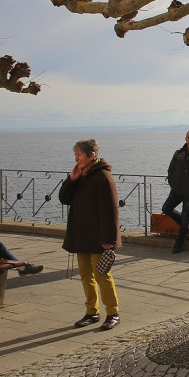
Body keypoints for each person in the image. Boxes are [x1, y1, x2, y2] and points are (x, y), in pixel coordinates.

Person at [59, 139, 121, 330]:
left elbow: (111, 210)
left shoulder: (103, 176)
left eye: (79, 154)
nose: (76, 158)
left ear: (91, 155)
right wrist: (71, 179)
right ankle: (91, 312)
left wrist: (108, 241)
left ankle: (113, 313)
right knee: (86, 275)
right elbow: (64, 198)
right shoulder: (81, 175)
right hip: (81, 236)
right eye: (75, 154)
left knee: (102, 275)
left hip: (98, 238)